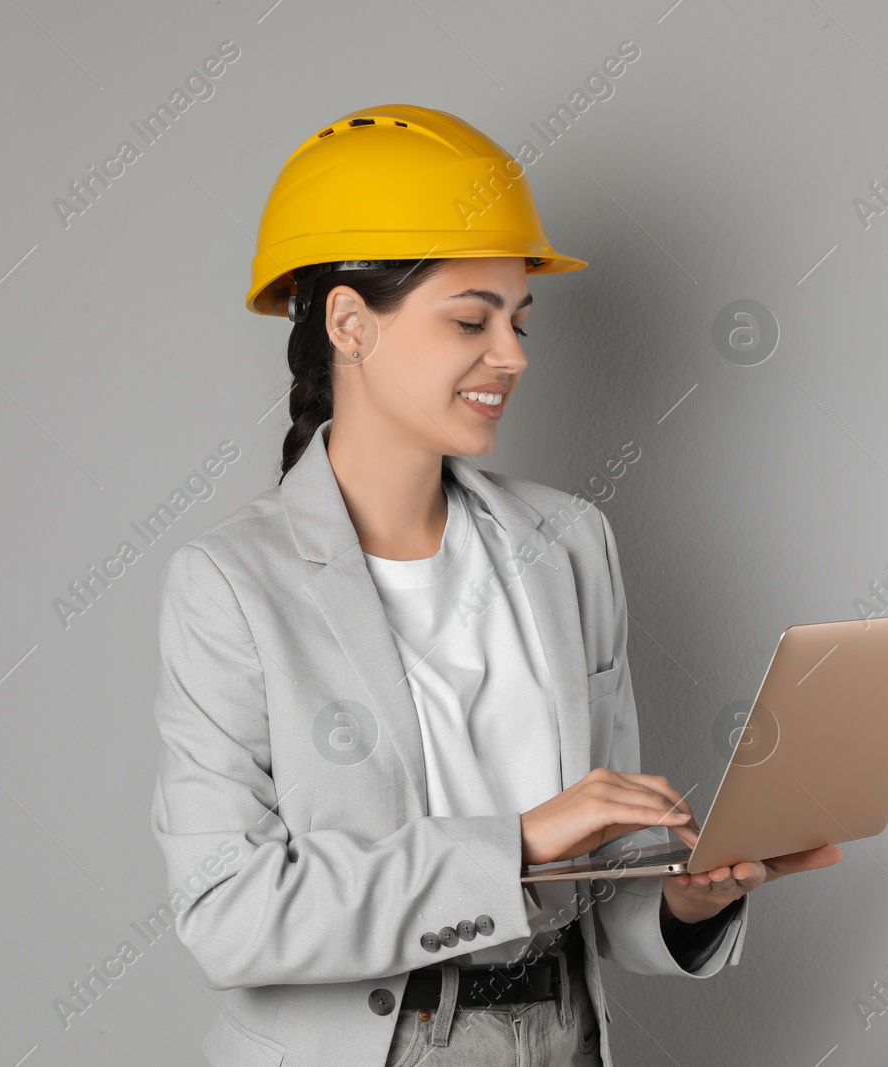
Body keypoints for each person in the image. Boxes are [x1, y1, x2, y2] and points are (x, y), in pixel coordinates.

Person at [148, 103, 842, 1067]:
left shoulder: (568, 545)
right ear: (350, 323)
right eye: (470, 319)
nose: (512, 355)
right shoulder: (229, 585)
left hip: (564, 1036)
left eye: (518, 320)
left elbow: (608, 882)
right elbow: (229, 911)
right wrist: (516, 841)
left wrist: (691, 893)